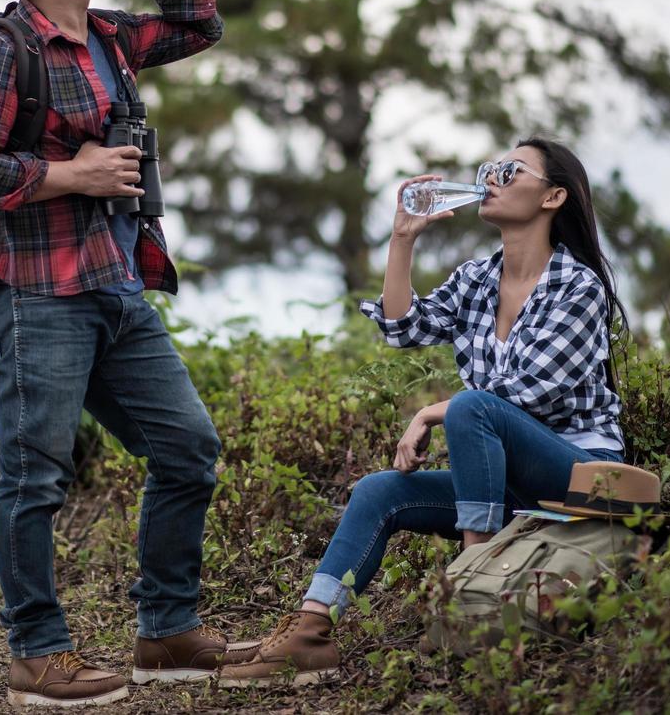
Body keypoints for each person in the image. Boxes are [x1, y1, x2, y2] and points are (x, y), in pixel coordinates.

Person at [0, 0, 254, 707]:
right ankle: (37, 656)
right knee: (33, 478)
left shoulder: (110, 38)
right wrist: (70, 172)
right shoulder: (0, 50)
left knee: (187, 450)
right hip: (36, 295)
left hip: (117, 287)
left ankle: (166, 633)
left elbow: (199, 22)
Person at [218, 138, 628, 686]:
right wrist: (402, 240)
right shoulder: (479, 279)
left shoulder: (578, 287)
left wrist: (432, 412)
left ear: (553, 196)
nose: (492, 178)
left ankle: (470, 578)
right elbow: (403, 327)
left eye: (510, 170)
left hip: (580, 473)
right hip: (503, 479)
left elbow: (532, 391)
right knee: (379, 491)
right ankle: (311, 633)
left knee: (474, 407)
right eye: (489, 168)